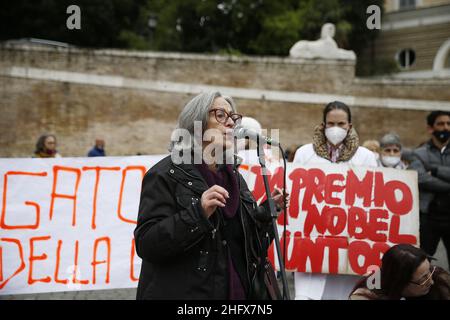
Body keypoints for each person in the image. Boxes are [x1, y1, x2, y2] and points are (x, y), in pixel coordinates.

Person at [134, 91, 288, 300]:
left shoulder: (234, 176)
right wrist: (199, 213)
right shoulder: (165, 174)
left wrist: (264, 214)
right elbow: (147, 244)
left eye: (233, 117)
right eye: (220, 115)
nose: (231, 123)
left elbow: (247, 247)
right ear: (196, 123)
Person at [293, 101, 377, 300]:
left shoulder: (366, 157)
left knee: (343, 293)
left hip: (348, 237)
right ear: (323, 125)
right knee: (308, 295)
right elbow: (296, 191)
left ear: (350, 125)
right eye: (331, 124)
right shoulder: (304, 153)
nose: (336, 129)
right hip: (312, 234)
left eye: (341, 124)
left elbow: (372, 197)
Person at [409, 110, 450, 270]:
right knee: (421, 264)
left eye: (448, 124)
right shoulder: (419, 154)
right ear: (430, 128)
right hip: (428, 218)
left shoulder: (425, 160)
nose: (445, 128)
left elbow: (428, 177)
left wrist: (434, 169)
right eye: (440, 124)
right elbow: (420, 178)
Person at [349, 244, 450, 300]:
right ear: (399, 282)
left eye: (430, 270)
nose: (431, 281)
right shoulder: (366, 295)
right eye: (423, 279)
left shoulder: (439, 278)